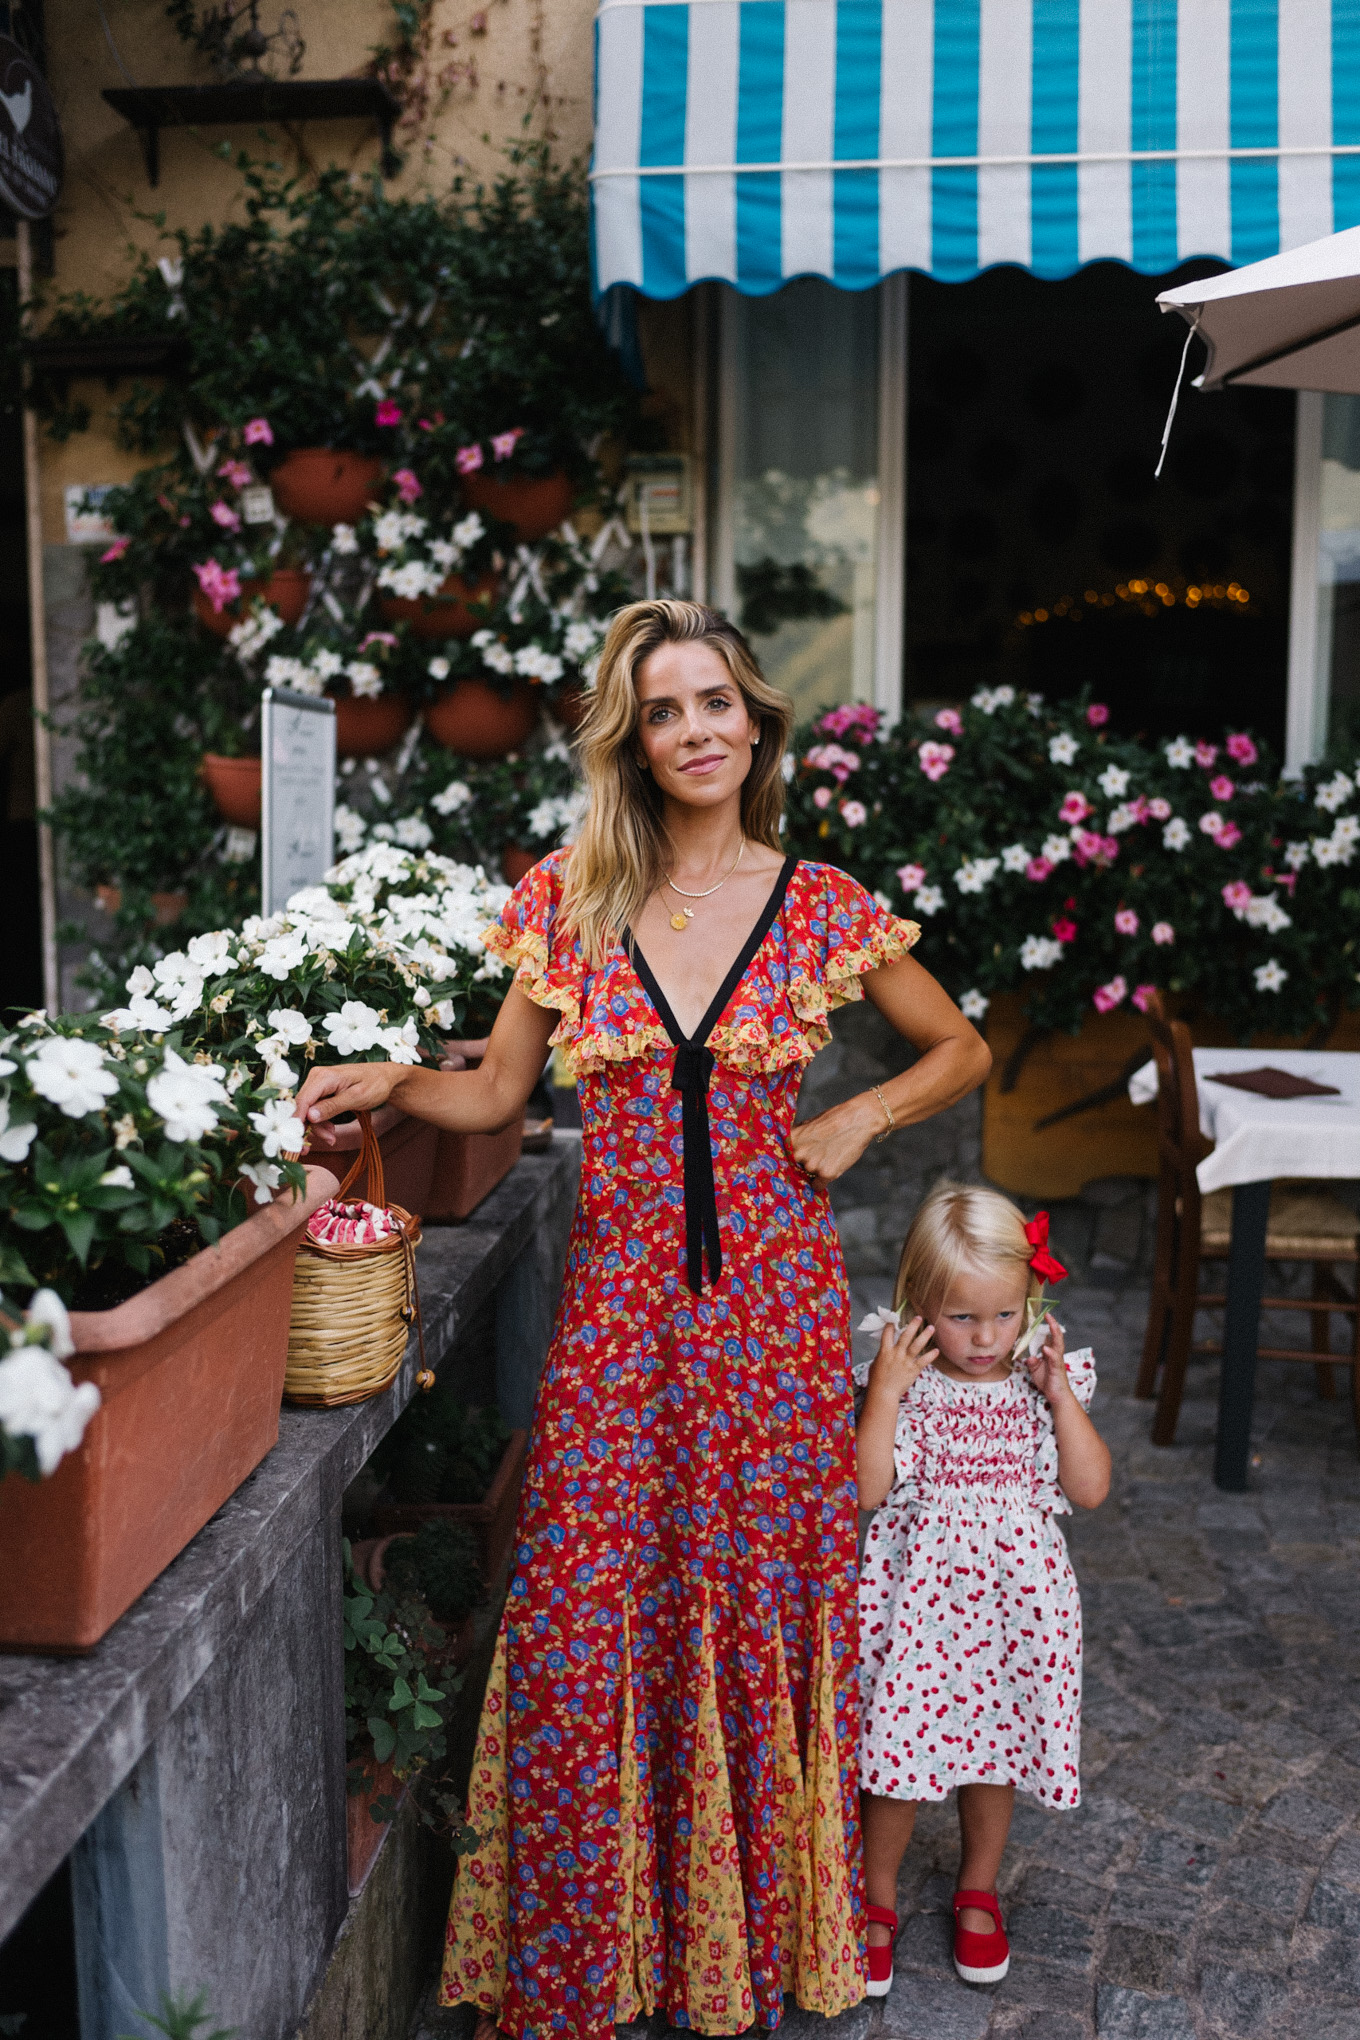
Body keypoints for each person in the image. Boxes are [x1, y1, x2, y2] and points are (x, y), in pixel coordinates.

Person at [295, 598, 991, 2040]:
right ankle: (585, 1960)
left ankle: (729, 1947)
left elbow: (960, 1047)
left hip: (776, 1317)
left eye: (718, 703)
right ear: (633, 738)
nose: (696, 733)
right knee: (582, 1613)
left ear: (760, 723)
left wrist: (863, 1110)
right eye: (665, 711)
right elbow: (497, 1094)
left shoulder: (823, 906)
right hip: (619, 1320)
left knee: (756, 1607)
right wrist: (390, 1076)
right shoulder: (571, 898)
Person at [853, 1183, 1110, 1994]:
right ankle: (875, 1897)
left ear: (1030, 1303)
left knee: (993, 1754)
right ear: (919, 1302)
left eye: (1004, 1315)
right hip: (919, 1610)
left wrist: (1060, 1394)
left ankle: (978, 1890)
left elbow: (1092, 1489)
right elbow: (862, 1492)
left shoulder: (1045, 1385)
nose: (985, 1337)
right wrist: (885, 1395)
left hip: (1013, 1613)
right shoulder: (907, 1384)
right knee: (894, 1758)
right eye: (963, 1317)